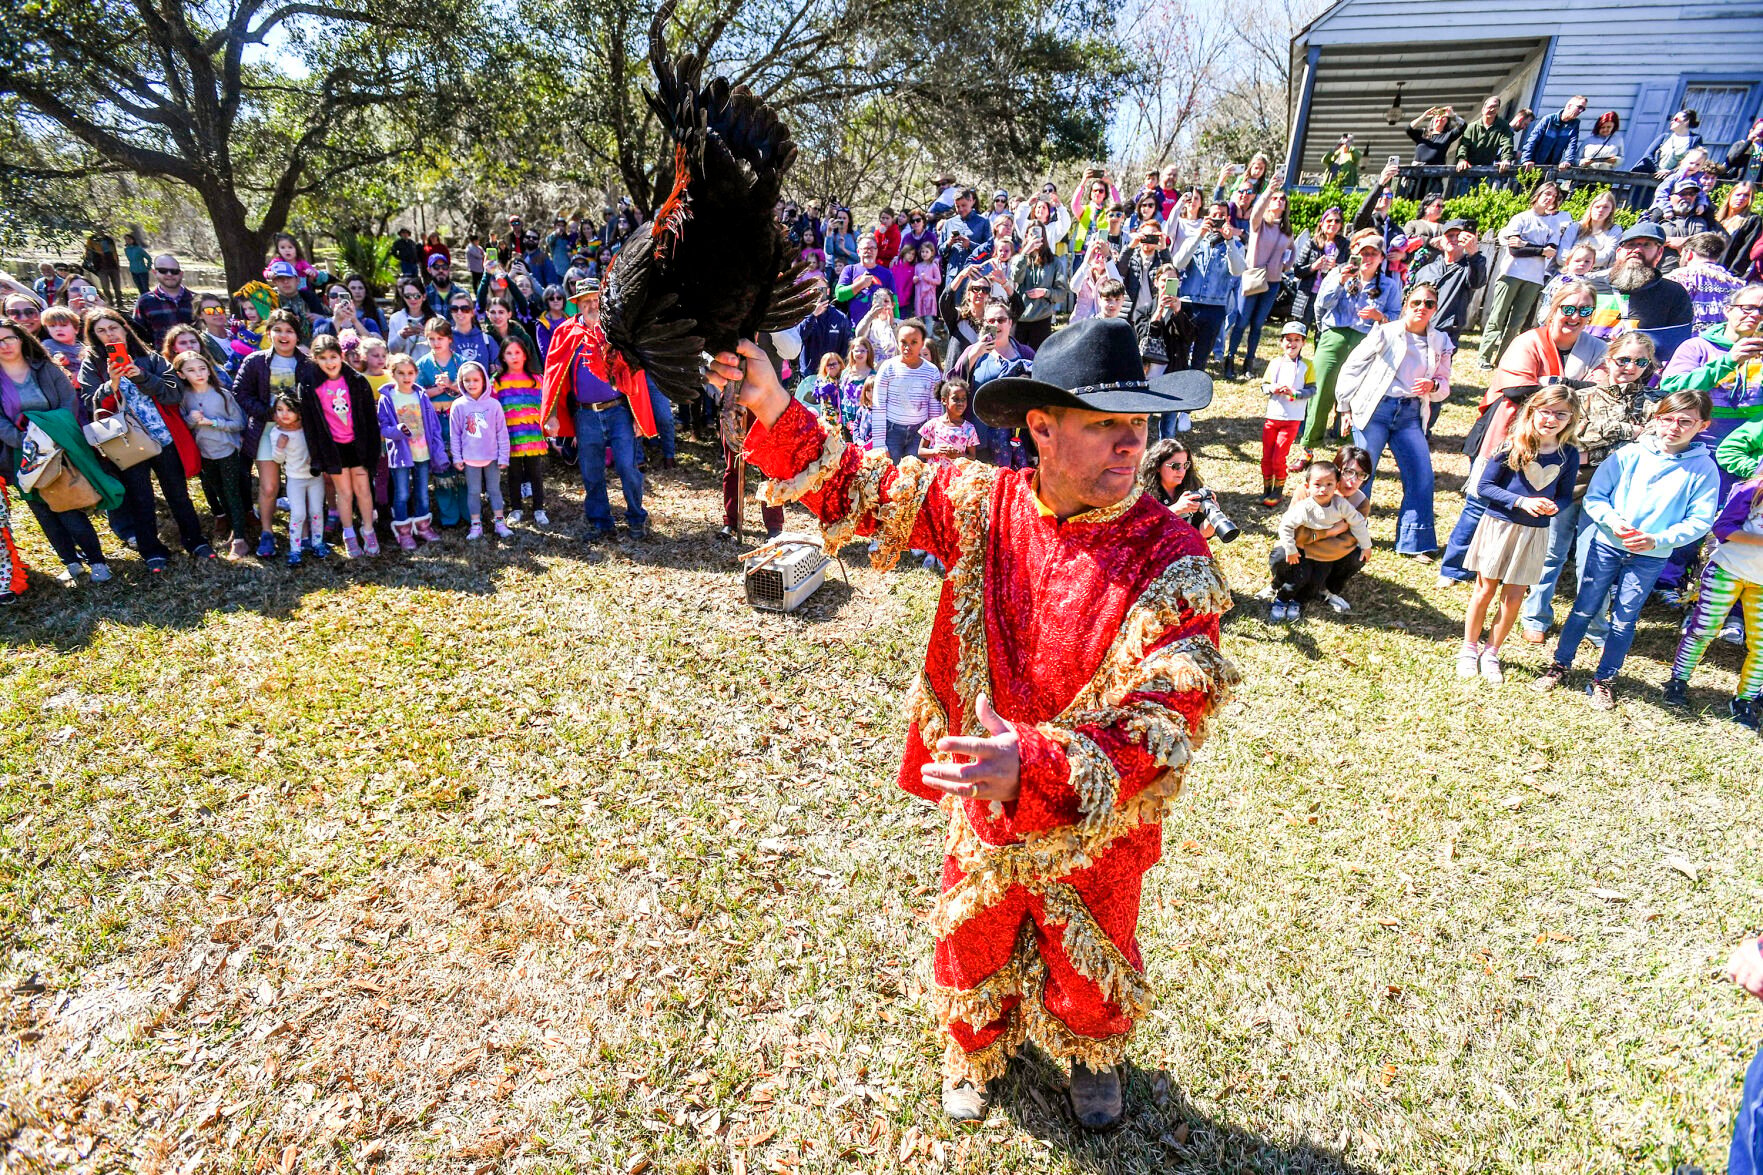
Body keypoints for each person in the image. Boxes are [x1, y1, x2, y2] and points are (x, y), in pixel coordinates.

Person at [715, 315, 1233, 1128]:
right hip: (980, 800)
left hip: (1093, 813)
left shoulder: (1173, 555)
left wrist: (1035, 761)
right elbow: (860, 485)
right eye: (1104, 426)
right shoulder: (978, 501)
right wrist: (776, 405)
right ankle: (975, 1045)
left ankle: (1090, 1053)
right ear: (1040, 427)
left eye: (1139, 424)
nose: (1130, 445)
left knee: (1094, 940)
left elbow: (1172, 703)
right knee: (974, 930)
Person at [1532, 390, 1721, 708]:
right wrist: (1611, 522)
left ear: (1703, 426)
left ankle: (1604, 679)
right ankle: (1560, 665)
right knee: (1583, 608)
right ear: (1655, 419)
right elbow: (1596, 497)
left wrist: (1657, 540)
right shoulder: (1629, 454)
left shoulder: (1703, 469)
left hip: (1650, 556)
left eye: (1685, 421)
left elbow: (1699, 521)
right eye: (1667, 418)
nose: (1674, 426)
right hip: (1606, 545)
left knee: (1624, 619)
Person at [1441, 280, 1607, 585]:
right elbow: (1518, 389)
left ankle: (1503, 567)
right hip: (1508, 432)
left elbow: (1599, 391)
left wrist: (1548, 382)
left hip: (1556, 440)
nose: (1575, 316)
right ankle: (1454, 568)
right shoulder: (1528, 341)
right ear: (1553, 309)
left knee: (1530, 500)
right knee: (1481, 499)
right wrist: (1571, 390)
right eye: (1568, 308)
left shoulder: (1597, 348)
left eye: (1585, 310)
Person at [1518, 332, 1657, 643]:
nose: (1630, 366)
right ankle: (1535, 617)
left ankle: (1594, 626)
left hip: (1616, 495)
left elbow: (1650, 444)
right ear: (1609, 360)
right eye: (1623, 359)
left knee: (1593, 561)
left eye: (1639, 361)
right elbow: (1574, 437)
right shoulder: (1583, 397)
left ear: (1648, 365)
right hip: (1569, 485)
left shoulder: (1653, 405)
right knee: (1550, 554)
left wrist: (1595, 449)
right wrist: (1627, 431)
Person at [1456, 386, 1581, 684]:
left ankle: (1492, 652)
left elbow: (1565, 495)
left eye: (1560, 414)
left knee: (1513, 598)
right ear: (1533, 410)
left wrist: (1554, 506)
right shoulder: (1511, 445)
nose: (1551, 419)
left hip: (1534, 533)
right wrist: (1521, 501)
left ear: (1571, 418)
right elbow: (1484, 487)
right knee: (1484, 591)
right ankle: (1468, 648)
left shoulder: (1569, 455)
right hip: (1499, 526)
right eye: (1546, 411)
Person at [75, 309, 209, 569]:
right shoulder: (92, 365)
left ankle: (195, 540)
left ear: (125, 328)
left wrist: (141, 376)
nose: (109, 334)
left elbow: (173, 394)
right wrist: (111, 383)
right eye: (101, 331)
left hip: (162, 436)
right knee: (141, 498)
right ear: (94, 336)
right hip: (125, 442)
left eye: (113, 328)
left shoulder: (151, 358)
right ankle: (152, 549)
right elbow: (90, 404)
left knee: (178, 493)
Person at [1336, 282, 1453, 559]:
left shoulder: (1440, 341)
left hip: (1410, 414)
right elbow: (1353, 367)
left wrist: (1433, 387)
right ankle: (1346, 535)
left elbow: (1444, 385)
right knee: (1360, 474)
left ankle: (1415, 542)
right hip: (1376, 409)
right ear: (1406, 305)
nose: (1422, 308)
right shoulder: (1387, 332)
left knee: (1421, 475)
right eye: (1416, 303)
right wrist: (1345, 407)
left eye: (1429, 304)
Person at [0, 321, 113, 585]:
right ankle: (70, 562)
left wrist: (51, 436)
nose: (4, 345)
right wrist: (23, 440)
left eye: (9, 338)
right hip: (21, 453)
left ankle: (97, 561)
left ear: (21, 339)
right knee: (42, 511)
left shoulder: (45, 368)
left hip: (58, 448)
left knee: (67, 505)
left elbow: (68, 402)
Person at [538, 278, 649, 540]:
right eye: (585, 301)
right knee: (591, 471)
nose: (591, 305)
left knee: (627, 466)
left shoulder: (616, 331)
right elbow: (553, 375)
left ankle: (636, 518)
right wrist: (552, 413)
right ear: (577, 304)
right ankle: (601, 521)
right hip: (585, 413)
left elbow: (635, 372)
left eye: (596, 300)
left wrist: (637, 416)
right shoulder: (565, 333)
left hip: (619, 410)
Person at [1662, 470, 1763, 724]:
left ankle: (1744, 700)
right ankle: (1677, 681)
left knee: (1761, 647)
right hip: (1727, 570)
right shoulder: (1752, 490)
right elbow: (1722, 528)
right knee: (1702, 631)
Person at [1293, 229, 1402, 461]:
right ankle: (1308, 446)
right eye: (1364, 253)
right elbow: (1321, 303)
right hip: (1335, 333)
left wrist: (1379, 315)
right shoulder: (1338, 273)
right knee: (1321, 388)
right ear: (1355, 253)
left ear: (1382, 258)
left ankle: (1345, 448)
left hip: (1366, 338)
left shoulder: (1390, 286)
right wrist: (1340, 283)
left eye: (1373, 253)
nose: (1367, 258)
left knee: (1356, 392)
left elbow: (1395, 317)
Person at [299, 333, 381, 557]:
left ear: (342, 356)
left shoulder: (356, 381)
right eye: (323, 358)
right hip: (333, 448)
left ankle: (368, 530)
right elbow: (310, 426)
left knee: (363, 490)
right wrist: (318, 456)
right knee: (344, 492)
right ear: (315, 359)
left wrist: (373, 450)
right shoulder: (309, 386)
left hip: (358, 445)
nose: (329, 362)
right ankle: (349, 534)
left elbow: (370, 421)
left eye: (333, 356)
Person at [1478, 180, 1572, 368]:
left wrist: (1527, 245)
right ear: (1538, 195)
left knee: (1517, 322)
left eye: (1554, 196)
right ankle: (1484, 357)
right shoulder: (1521, 218)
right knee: (1498, 317)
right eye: (1547, 194)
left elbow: (1552, 250)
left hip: (1534, 277)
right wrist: (1539, 250)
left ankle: (1503, 358)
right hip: (1511, 273)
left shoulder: (1553, 223)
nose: (1549, 199)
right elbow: (1515, 250)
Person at [1270, 459, 1371, 621]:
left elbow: (1358, 522)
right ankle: (1281, 599)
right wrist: (1291, 549)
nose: (1323, 489)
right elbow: (1286, 526)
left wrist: (1366, 546)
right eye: (1318, 485)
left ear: (1336, 483)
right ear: (1308, 486)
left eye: (1329, 484)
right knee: (1299, 577)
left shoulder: (1342, 505)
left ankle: (1298, 601)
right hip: (1301, 549)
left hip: (1326, 555)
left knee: (1316, 582)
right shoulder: (1305, 506)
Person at [172, 351, 249, 558]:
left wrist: (214, 423)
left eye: (202, 368)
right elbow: (184, 426)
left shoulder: (222, 395)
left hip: (226, 451)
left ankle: (241, 539)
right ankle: (235, 529)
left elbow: (239, 423)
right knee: (220, 492)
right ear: (180, 374)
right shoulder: (185, 397)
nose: (198, 374)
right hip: (204, 454)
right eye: (191, 370)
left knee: (232, 492)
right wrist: (191, 419)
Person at [1585, 221, 1697, 361]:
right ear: (1619, 252)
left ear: (1659, 253)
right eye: (1631, 244)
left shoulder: (1673, 294)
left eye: (1646, 245)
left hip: (1641, 374)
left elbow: (1676, 347)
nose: (1637, 250)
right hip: (1588, 369)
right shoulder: (1591, 287)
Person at [1225, 185, 1293, 380]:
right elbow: (1256, 211)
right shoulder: (1259, 223)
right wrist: (1269, 191)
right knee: (1241, 322)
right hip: (1253, 278)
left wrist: (1286, 265)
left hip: (1272, 282)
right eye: (1275, 199)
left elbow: (1292, 249)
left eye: (1282, 199)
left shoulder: (1286, 229)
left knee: (1257, 324)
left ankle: (1249, 363)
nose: (1278, 201)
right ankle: (1229, 361)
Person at [377, 352, 445, 548]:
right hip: (401, 455)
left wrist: (437, 446)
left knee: (422, 492)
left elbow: (432, 423)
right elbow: (384, 428)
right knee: (402, 494)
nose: (406, 377)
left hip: (422, 452)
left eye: (410, 373)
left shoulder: (421, 395)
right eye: (401, 373)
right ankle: (404, 532)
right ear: (392, 374)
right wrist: (397, 431)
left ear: (416, 374)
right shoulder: (388, 398)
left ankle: (422, 527)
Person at [1170, 201, 1245, 374]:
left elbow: (1238, 270)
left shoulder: (1235, 245)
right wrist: (1199, 234)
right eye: (1213, 215)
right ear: (1206, 217)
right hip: (1189, 304)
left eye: (1221, 216)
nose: (1217, 219)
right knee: (1180, 354)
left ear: (1227, 218)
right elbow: (1178, 263)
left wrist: (1229, 241)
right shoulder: (1194, 239)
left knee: (1200, 359)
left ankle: (1193, 394)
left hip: (1215, 307)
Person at [449, 361, 512, 541]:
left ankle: (500, 523)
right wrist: (457, 457)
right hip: (470, 459)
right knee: (473, 491)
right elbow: (455, 434)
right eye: (466, 380)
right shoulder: (458, 405)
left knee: (494, 490)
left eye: (475, 379)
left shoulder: (494, 405)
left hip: (491, 457)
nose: (471, 384)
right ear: (461, 382)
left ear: (484, 380)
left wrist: (503, 456)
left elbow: (502, 433)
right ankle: (476, 525)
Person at [1259, 322, 1316, 507]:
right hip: (1273, 416)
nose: (1292, 344)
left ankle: (1278, 489)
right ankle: (1266, 488)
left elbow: (1312, 389)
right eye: (1288, 340)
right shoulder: (1275, 363)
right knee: (1267, 456)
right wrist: (1273, 388)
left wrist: (1295, 393)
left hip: (1292, 418)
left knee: (1278, 457)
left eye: (1297, 340)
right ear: (1281, 342)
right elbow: (1264, 385)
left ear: (1303, 343)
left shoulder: (1307, 365)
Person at [494, 336, 547, 526]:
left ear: (525, 355)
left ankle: (539, 509)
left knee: (535, 473)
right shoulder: (498, 382)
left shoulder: (537, 380)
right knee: (514, 474)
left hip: (532, 436)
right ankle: (516, 509)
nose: (514, 357)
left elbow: (545, 406)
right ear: (502, 357)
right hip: (510, 437)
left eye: (518, 352)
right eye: (509, 353)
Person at [873, 319, 940, 463]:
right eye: (903, 342)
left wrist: (932, 441)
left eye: (914, 342)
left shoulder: (932, 371)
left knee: (915, 474)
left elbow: (934, 410)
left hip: (919, 433)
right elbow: (878, 405)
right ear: (897, 342)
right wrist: (879, 444)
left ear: (922, 343)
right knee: (890, 473)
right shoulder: (888, 367)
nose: (907, 347)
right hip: (892, 432)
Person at [1671, 234, 1748, 328]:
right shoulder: (1737, 284)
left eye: (1682, 254)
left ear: (1689, 254)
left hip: (1686, 339)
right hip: (1722, 339)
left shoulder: (1678, 277)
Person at [1010, 227, 1066, 350]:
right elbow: (1015, 278)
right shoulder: (1018, 259)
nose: (1034, 237)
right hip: (1021, 317)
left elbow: (1061, 293)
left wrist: (1045, 292)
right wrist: (1024, 253)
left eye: (1038, 234)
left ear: (1044, 237)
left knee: (1039, 357)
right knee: (1019, 357)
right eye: (1031, 234)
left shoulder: (1054, 262)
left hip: (1042, 317)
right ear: (1026, 237)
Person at [1288, 205, 1345, 327]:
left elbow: (1350, 268)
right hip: (1309, 294)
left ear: (1341, 225)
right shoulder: (1312, 243)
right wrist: (1314, 266)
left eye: (1337, 221)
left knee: (1324, 331)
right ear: (1322, 224)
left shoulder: (1345, 245)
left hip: (1331, 294)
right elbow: (1297, 271)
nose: (1333, 223)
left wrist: (1336, 267)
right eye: (1329, 220)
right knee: (1300, 328)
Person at [131, 253, 194, 348]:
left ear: (181, 274)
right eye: (163, 271)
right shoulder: (144, 302)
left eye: (174, 271)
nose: (169, 274)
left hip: (196, 357)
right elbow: (138, 335)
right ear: (155, 272)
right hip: (162, 359)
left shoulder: (196, 299)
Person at [917, 376, 979, 463]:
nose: (960, 403)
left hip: (957, 475)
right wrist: (936, 451)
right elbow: (921, 451)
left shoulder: (969, 429)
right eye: (956, 399)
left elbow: (972, 457)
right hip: (935, 474)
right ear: (944, 400)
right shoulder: (932, 425)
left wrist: (959, 455)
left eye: (963, 399)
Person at [1455, 97, 1517, 180]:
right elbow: (1464, 145)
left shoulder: (1503, 126)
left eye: (1495, 107)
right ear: (1483, 109)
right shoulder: (1472, 127)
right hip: (1468, 169)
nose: (1492, 109)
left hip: (1487, 170)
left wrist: (1506, 160)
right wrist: (1462, 160)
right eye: (1490, 107)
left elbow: (1507, 143)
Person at [1518, 94, 1587, 167]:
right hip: (1533, 164)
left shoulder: (1574, 124)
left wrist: (1568, 162)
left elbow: (1572, 145)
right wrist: (1526, 160)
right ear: (1569, 106)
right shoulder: (1549, 119)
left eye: (1583, 109)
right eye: (1579, 107)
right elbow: (1533, 140)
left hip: (1551, 167)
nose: (1580, 111)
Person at [1561, 190, 1622, 270]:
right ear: (1591, 207)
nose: (1600, 210)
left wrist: (1576, 259)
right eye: (1597, 207)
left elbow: (1605, 257)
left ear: (1611, 210)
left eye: (1605, 207)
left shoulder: (1614, 230)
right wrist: (1587, 262)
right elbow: (1561, 257)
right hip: (1568, 272)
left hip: (1597, 276)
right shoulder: (1575, 227)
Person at [1637, 109, 1703, 179]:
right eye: (1672, 119)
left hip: (1674, 180)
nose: (1672, 122)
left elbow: (1695, 160)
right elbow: (1647, 155)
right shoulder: (1664, 137)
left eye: (1676, 119)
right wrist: (1659, 170)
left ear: (1686, 121)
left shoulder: (1695, 139)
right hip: (1653, 176)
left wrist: (1671, 172)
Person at [1720, 184, 1761, 280]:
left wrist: (1733, 274)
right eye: (1738, 194)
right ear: (1730, 195)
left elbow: (1746, 249)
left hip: (1727, 273)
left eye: (1746, 195)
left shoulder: (1752, 220)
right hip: (1706, 268)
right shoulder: (1717, 218)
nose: (1741, 198)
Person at [123, 232, 151, 297]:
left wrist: (148, 267)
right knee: (140, 288)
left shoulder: (139, 249)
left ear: (133, 240)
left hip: (142, 271)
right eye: (126, 239)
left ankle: (150, 302)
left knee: (145, 288)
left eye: (129, 239)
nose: (128, 241)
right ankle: (143, 303)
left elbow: (148, 258)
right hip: (133, 270)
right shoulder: (126, 250)